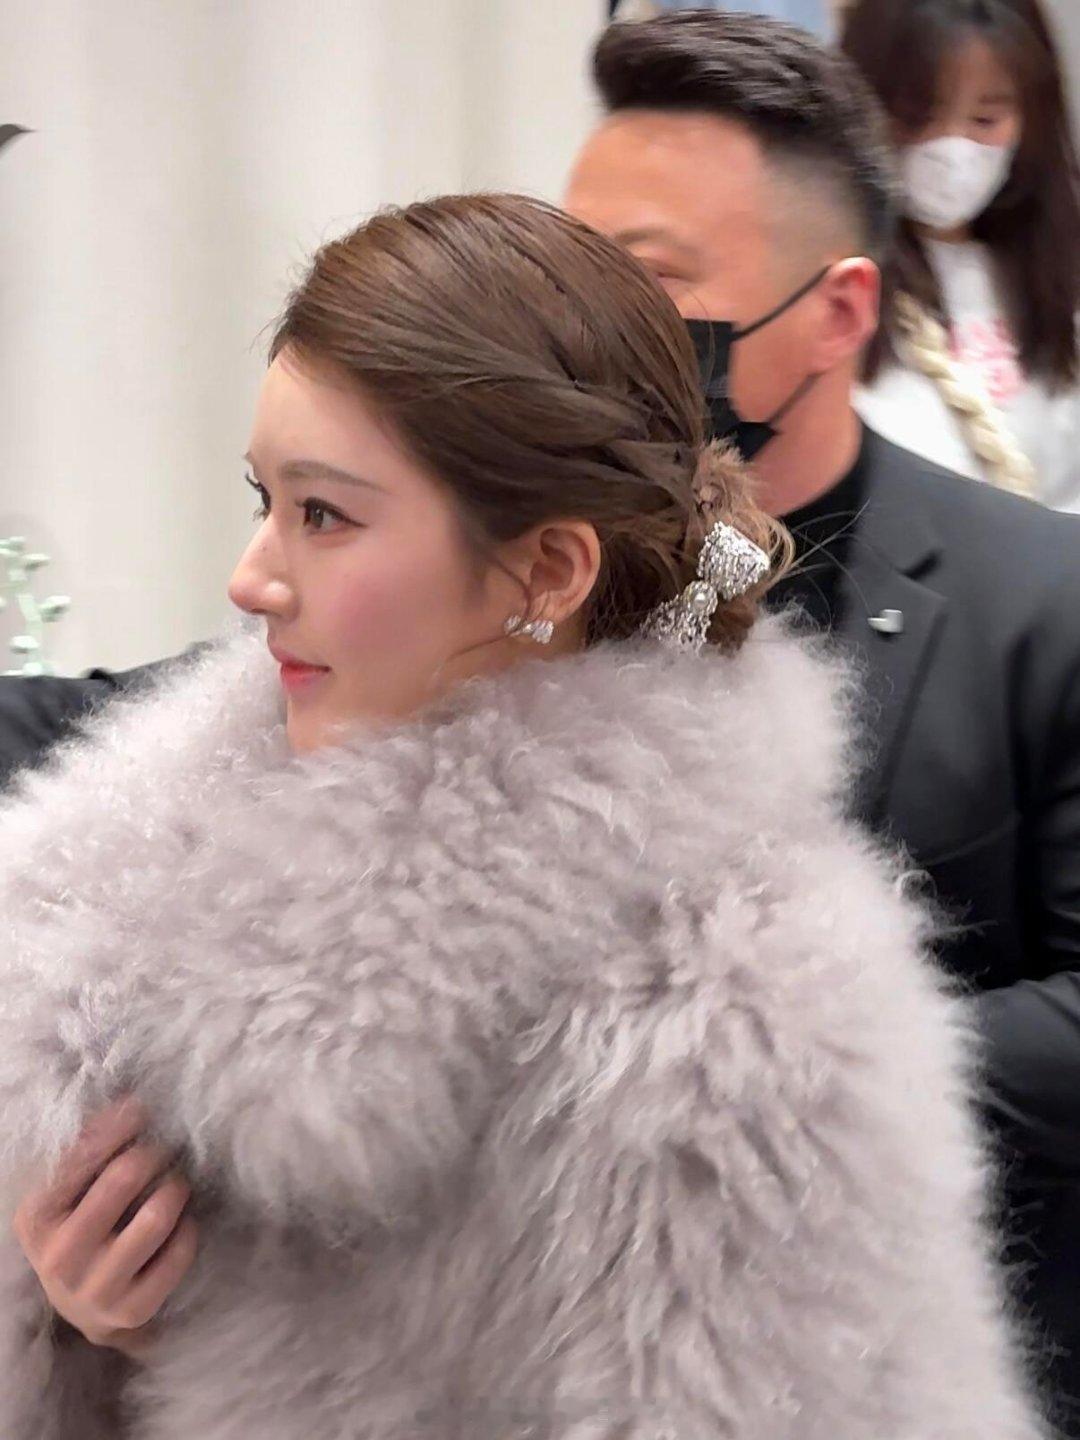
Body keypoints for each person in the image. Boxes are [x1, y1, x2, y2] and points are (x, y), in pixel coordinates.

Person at [0, 194, 1046, 1440]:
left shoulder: (740, 1026)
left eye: (324, 514)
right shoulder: (132, 882)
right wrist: (83, 1326)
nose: (254, 577)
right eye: (262, 499)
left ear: (548, 572)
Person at [561, 9, 1080, 1429]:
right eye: (570, 279)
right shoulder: (535, 576)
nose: (589, 339)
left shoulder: (1041, 605)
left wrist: (770, 1068)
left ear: (840, 313)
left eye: (648, 286)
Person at [842, 0, 1080, 511]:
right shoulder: (834, 280)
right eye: (917, 116)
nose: (951, 149)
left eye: (985, 118)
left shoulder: (1056, 277)